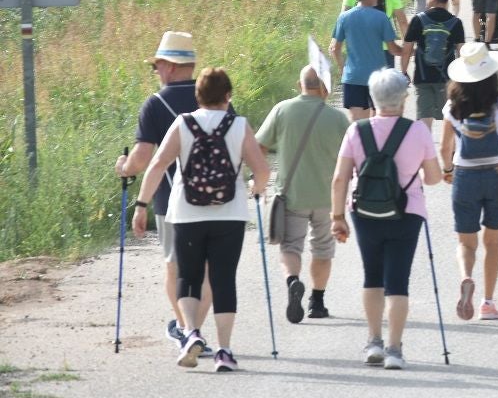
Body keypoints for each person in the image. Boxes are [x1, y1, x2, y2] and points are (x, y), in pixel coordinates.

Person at [131, 67, 271, 372]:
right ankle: (224, 351)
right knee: (222, 280)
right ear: (228, 96)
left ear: (198, 96)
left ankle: (191, 332)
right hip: (230, 214)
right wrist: (255, 190)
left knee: (188, 277)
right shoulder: (239, 125)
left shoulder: (183, 124)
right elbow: (262, 171)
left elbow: (157, 165)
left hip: (186, 213)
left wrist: (141, 205)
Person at [330, 69, 441, 369]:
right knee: (398, 280)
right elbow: (432, 178)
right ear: (403, 100)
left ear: (372, 98)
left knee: (372, 275)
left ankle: (374, 341)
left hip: (365, 211)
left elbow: (340, 178)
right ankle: (394, 349)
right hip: (407, 211)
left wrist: (337, 216)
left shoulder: (356, 131)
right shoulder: (417, 131)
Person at [115, 31, 214, 354]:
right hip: (216, 197)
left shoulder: (155, 105)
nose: (156, 71)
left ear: (170, 67)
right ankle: (196, 328)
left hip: (172, 199)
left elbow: (143, 158)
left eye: (157, 65)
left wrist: (124, 168)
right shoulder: (213, 96)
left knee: (175, 266)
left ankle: (187, 330)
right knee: (207, 269)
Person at [440, 44, 498, 321]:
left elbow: (445, 147)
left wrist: (448, 170)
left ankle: (466, 276)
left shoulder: (453, 106)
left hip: (465, 175)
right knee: (493, 243)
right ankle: (487, 303)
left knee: (466, 243)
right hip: (497, 174)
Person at [256, 65, 350, 323]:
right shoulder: (338, 118)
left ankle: (293, 281)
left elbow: (259, 147)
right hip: (327, 199)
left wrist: (259, 179)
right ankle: (317, 302)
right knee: (322, 249)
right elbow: (352, 156)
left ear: (300, 86)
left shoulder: (282, 110)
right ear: (325, 88)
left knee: (291, 247)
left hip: (292, 195)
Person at [331, 0, 405, 121]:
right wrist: (408, 52)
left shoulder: (344, 17)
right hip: (378, 79)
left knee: (357, 125)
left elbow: (335, 49)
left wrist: (343, 69)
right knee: (378, 121)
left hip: (353, 77)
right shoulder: (381, 17)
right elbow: (393, 49)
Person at [400, 0, 466, 130]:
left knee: (424, 118)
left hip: (423, 77)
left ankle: (425, 151)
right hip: (447, 78)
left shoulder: (418, 19)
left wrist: (403, 71)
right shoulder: (455, 22)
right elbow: (462, 53)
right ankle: (450, 151)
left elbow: (407, 49)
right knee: (450, 117)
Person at [341, 0, 408, 66]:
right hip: (385, 49)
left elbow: (343, 23)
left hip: (359, 49)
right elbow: (402, 22)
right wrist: (406, 46)